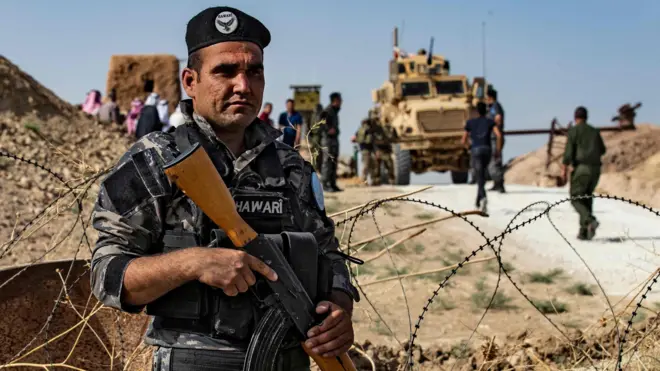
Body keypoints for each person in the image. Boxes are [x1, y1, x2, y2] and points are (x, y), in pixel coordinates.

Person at [89, 6, 358, 371]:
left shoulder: (292, 167)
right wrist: (192, 263)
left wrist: (340, 307)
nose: (243, 86)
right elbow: (107, 275)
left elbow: (329, 257)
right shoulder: (154, 162)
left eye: (254, 71)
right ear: (190, 81)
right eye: (225, 71)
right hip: (192, 360)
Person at [561, 106, 606, 240]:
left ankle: (589, 220)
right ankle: (584, 232)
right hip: (596, 169)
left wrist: (564, 170)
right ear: (586, 117)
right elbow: (602, 150)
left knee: (575, 198)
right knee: (586, 197)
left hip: (582, 168)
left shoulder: (574, 131)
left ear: (575, 118)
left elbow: (568, 154)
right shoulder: (594, 131)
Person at [462, 101, 502, 213]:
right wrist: (498, 150)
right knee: (482, 175)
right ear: (486, 110)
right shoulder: (490, 122)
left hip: (475, 150)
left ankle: (483, 197)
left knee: (479, 175)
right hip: (487, 150)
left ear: (476, 111)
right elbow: (498, 135)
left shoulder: (470, 123)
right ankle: (478, 200)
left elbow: (463, 139)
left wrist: (468, 148)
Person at [320, 92, 343, 192]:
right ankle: (325, 184)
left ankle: (332, 184)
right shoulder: (327, 111)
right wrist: (327, 129)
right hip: (327, 140)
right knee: (327, 162)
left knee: (334, 161)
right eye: (340, 100)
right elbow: (320, 123)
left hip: (334, 139)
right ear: (335, 100)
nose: (341, 102)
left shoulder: (334, 111)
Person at [486, 89, 506, 193]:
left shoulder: (495, 107)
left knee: (495, 160)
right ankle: (496, 183)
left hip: (495, 137)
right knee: (493, 161)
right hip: (493, 137)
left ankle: (499, 184)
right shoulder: (492, 107)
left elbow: (498, 118)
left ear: (490, 97)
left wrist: (494, 127)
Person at [372, 118, 398, 186]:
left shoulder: (391, 129)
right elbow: (374, 141)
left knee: (390, 166)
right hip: (379, 151)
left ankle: (391, 180)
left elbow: (395, 138)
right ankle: (376, 181)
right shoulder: (378, 129)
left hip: (386, 151)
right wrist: (376, 151)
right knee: (377, 167)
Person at [353, 118, 375, 185]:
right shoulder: (366, 130)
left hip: (366, 150)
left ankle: (369, 181)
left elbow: (355, 138)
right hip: (366, 150)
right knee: (366, 166)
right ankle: (363, 182)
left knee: (370, 166)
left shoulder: (360, 130)